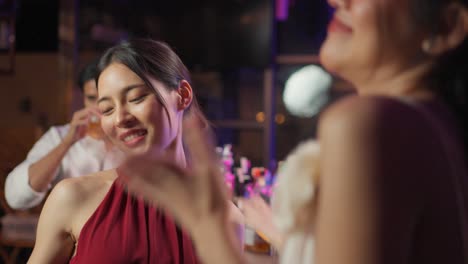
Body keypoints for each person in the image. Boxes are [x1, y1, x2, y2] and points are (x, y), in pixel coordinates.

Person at [119, 0, 468, 263]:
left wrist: (206, 226)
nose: (335, 1)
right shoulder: (436, 126)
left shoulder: (369, 123)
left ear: (448, 27)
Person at [28, 39, 243, 263]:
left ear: (183, 95)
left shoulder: (226, 219)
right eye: (107, 109)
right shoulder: (73, 197)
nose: (121, 118)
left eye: (136, 98)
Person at [4, 60, 123, 210]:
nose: (98, 107)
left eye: (105, 99)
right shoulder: (60, 136)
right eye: (92, 98)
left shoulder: (131, 135)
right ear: (84, 98)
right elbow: (17, 197)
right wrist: (67, 143)